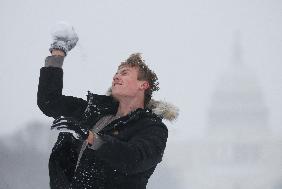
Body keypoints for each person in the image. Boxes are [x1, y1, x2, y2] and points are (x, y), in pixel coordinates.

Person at [37, 23, 178, 189]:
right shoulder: (93, 111)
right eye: (116, 73)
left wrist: (91, 137)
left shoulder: (153, 128)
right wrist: (58, 51)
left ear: (143, 85)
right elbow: (50, 102)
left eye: (124, 73)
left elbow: (134, 159)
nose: (116, 77)